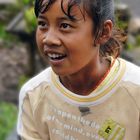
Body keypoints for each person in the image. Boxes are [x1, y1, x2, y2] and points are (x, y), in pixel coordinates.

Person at [17, 0, 140, 139]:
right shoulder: (34, 95)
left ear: (102, 32)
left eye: (65, 25)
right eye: (43, 24)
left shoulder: (135, 93)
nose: (49, 39)